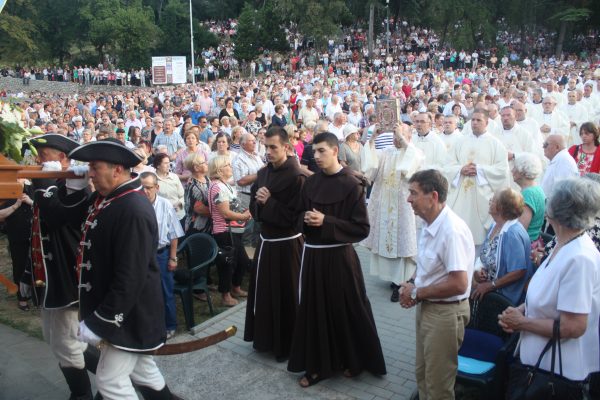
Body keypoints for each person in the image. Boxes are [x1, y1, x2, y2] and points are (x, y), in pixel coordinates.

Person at [67, 139, 181, 399]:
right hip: (123, 312)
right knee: (145, 374)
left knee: (110, 382)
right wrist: (73, 188)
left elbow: (130, 276)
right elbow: (66, 219)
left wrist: (102, 320)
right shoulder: (110, 197)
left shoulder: (132, 207)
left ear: (117, 169)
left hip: (129, 315)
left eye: (95, 168)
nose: (90, 174)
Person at [287, 132, 386, 387]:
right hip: (313, 257)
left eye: (321, 151)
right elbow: (297, 215)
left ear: (334, 151)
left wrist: (326, 221)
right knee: (315, 310)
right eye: (314, 151)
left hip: (341, 258)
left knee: (346, 308)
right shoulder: (310, 183)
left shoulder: (352, 184)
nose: (315, 156)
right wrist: (305, 221)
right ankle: (317, 366)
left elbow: (361, 228)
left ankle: (353, 359)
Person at [499, 178, 600, 387]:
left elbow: (573, 326)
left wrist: (522, 323)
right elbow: (550, 297)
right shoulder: (562, 244)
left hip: (555, 377)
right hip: (539, 367)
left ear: (557, 210)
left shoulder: (579, 257)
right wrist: (520, 310)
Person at [18, 134, 95, 400]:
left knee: (67, 343)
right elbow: (39, 233)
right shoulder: (55, 185)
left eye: (45, 155)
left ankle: (82, 394)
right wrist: (29, 271)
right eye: (38, 155)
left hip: (67, 280)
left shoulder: (76, 187)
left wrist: (44, 183)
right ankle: (113, 377)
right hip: (50, 280)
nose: (39, 161)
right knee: (57, 340)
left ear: (63, 159)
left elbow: (56, 214)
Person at [401, 169, 474, 400]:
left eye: (413, 193)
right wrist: (412, 284)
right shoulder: (429, 222)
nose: (408, 199)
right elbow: (429, 267)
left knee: (439, 384)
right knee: (423, 374)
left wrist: (417, 292)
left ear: (433, 196)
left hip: (445, 314)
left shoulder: (451, 230)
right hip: (430, 308)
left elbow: (459, 283)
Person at [244, 126, 307, 361]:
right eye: (266, 146)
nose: (268, 152)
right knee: (265, 293)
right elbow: (254, 207)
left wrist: (269, 202)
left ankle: (288, 344)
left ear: (287, 148)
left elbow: (296, 218)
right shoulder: (263, 174)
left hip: (288, 246)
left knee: (287, 295)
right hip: (266, 243)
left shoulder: (297, 177)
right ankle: (266, 339)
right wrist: (259, 204)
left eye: (273, 147)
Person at [362, 123, 424, 302]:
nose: (396, 139)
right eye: (395, 135)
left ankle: (402, 282)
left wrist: (403, 140)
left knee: (402, 245)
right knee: (386, 241)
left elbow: (410, 168)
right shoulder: (387, 152)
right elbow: (371, 167)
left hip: (403, 206)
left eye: (400, 136)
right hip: (384, 203)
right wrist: (373, 138)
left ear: (408, 136)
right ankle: (394, 279)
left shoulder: (414, 152)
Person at [445, 110, 509, 246]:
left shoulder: (495, 144)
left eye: (478, 120)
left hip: (482, 197)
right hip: (461, 196)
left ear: (486, 122)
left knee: (478, 239)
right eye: (472, 120)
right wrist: (460, 169)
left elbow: (502, 170)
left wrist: (480, 170)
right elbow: (448, 165)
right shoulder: (460, 141)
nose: (474, 123)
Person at [140, 172, 184, 340]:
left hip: (161, 254)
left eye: (149, 187)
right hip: (141, 256)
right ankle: (149, 324)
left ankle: (170, 325)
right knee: (143, 292)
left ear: (157, 187)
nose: (145, 191)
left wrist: (173, 257)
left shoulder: (165, 205)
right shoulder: (136, 204)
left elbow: (174, 233)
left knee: (166, 291)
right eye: (142, 187)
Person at [471, 188, 533, 305]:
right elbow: (485, 254)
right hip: (491, 293)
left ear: (501, 208)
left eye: (493, 200)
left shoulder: (512, 233)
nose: (490, 201)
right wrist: (478, 270)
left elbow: (519, 271)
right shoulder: (495, 225)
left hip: (505, 300)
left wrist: (490, 286)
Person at [207, 155, 252, 307]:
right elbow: (225, 213)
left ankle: (235, 287)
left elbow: (232, 205)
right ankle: (225, 295)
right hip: (225, 231)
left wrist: (244, 213)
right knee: (227, 264)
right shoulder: (217, 187)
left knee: (242, 261)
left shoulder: (224, 184)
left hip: (234, 231)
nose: (231, 167)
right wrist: (243, 215)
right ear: (219, 169)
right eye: (227, 165)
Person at [0, 183, 33, 311]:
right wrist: (16, 205)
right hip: (17, 237)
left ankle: (37, 295)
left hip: (36, 236)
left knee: (38, 267)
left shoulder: (34, 188)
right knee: (20, 266)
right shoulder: (6, 192)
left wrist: (31, 202)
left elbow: (48, 209)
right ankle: (22, 298)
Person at [512, 153, 546, 244]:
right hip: (532, 241)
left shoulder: (528, 194)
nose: (512, 171)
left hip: (524, 245)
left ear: (522, 171)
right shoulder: (537, 189)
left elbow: (520, 228)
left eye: (514, 168)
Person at [183, 152, 211, 235]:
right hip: (197, 227)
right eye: (203, 162)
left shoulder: (206, 178)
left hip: (208, 224)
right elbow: (199, 209)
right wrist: (219, 212)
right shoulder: (193, 186)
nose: (206, 163)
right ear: (196, 168)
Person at [153, 153, 185, 222]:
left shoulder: (174, 177)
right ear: (158, 165)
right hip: (161, 218)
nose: (169, 165)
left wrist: (180, 204)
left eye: (169, 163)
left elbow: (182, 195)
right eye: (165, 163)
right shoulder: (152, 179)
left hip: (178, 216)